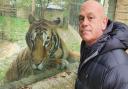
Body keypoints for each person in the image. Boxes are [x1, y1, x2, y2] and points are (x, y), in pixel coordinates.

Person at [75, 0, 128, 89]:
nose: (84, 23)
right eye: (81, 18)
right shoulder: (88, 47)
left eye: (90, 17)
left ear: (104, 23)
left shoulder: (119, 67)